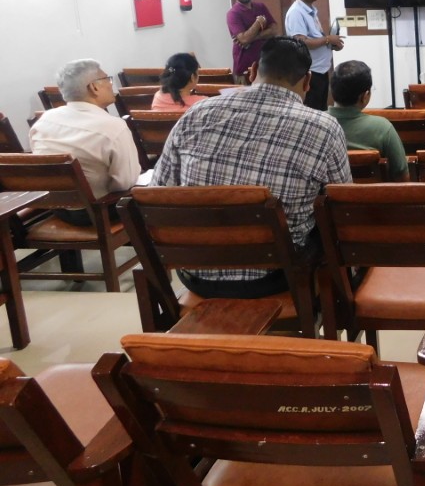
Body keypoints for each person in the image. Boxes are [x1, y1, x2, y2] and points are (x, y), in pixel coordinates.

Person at [151, 36, 351, 298]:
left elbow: (159, 190)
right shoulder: (323, 127)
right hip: (275, 276)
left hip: (195, 273)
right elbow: (342, 203)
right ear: (307, 81)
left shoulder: (198, 112)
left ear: (254, 70)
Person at [29, 59, 141, 224]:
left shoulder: (45, 119)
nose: (111, 85)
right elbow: (125, 183)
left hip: (58, 210)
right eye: (107, 80)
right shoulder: (113, 127)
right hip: (100, 212)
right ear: (94, 87)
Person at [328, 60, 409, 181]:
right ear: (365, 96)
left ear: (332, 91)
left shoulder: (316, 124)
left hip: (329, 192)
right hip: (375, 193)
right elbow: (402, 176)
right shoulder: (382, 127)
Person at [284, 0, 344, 110]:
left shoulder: (310, 10)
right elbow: (301, 42)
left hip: (320, 70)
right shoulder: (296, 12)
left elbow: (316, 37)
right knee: (312, 111)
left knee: (321, 109)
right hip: (310, 72)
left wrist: (332, 44)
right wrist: (328, 39)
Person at [225, 0, 277, 84]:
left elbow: (274, 29)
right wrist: (258, 22)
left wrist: (255, 37)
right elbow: (244, 39)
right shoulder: (233, 13)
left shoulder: (260, 6)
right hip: (244, 70)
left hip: (265, 66)